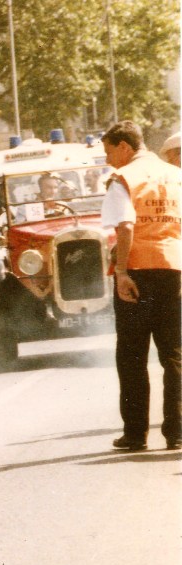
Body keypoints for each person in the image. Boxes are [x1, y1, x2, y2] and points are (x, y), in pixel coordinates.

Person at [99, 120, 181, 451]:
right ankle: (177, 431)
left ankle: (135, 434)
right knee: (174, 353)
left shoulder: (124, 178)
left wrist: (121, 272)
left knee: (132, 355)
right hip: (173, 269)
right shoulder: (176, 175)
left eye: (109, 152)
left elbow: (126, 226)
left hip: (137, 272)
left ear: (124, 147)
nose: (108, 160)